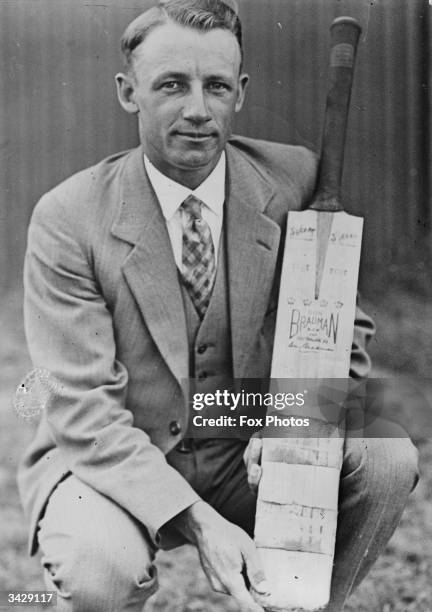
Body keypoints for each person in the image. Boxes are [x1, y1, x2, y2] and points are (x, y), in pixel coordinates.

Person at [18, 1, 418, 611]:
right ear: (129, 93)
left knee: (386, 452)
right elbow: (82, 413)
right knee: (101, 569)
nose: (198, 109)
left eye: (217, 86)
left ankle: (300, 607)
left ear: (241, 92)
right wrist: (201, 523)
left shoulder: (293, 179)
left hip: (249, 454)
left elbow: (346, 325)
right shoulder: (68, 217)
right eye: (172, 85)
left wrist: (293, 418)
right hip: (116, 463)